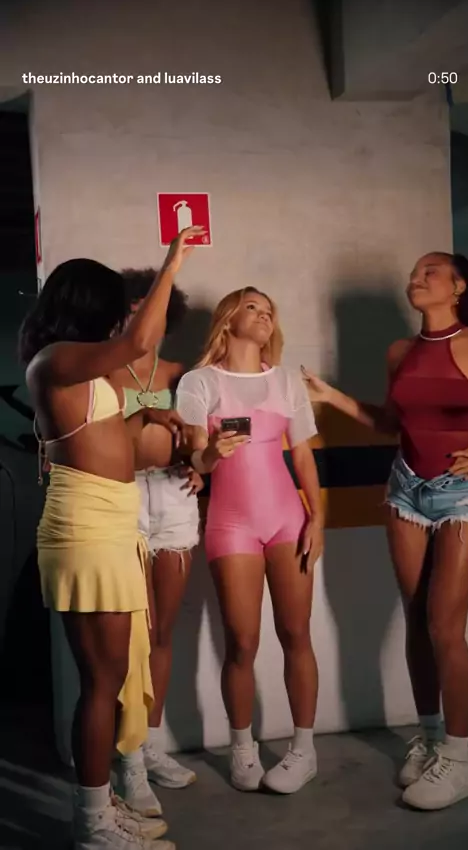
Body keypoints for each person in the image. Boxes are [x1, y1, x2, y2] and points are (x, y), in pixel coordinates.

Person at [18, 225, 204, 850]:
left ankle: (102, 805)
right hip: (88, 527)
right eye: (114, 306)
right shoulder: (56, 358)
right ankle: (93, 823)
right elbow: (139, 341)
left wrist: (144, 414)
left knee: (113, 677)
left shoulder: (79, 368)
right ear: (90, 306)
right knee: (102, 682)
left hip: (110, 523)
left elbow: (100, 438)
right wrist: (172, 261)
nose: (121, 317)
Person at [303, 252, 468, 811]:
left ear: (458, 287)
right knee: (416, 619)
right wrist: (331, 396)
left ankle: (459, 761)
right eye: (414, 273)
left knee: (445, 627)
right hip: (405, 490)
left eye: (431, 272)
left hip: (462, 495)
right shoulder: (399, 352)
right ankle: (429, 739)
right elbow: (389, 423)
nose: (416, 279)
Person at [175, 286, 323, 795]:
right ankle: (242, 748)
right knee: (241, 641)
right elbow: (197, 460)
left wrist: (317, 518)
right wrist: (211, 454)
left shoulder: (285, 380)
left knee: (296, 633)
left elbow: (302, 455)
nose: (264, 316)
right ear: (228, 318)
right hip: (231, 522)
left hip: (288, 520)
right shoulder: (199, 382)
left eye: (269, 310)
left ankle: (304, 750)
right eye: (253, 307)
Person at [110, 271, 202, 818]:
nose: (143, 314)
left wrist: (201, 467)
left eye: (155, 307)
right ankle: (127, 761)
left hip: (173, 495)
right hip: (120, 498)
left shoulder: (180, 373)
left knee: (162, 632)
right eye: (134, 305)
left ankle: (148, 743)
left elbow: (199, 439)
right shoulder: (102, 370)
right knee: (132, 637)